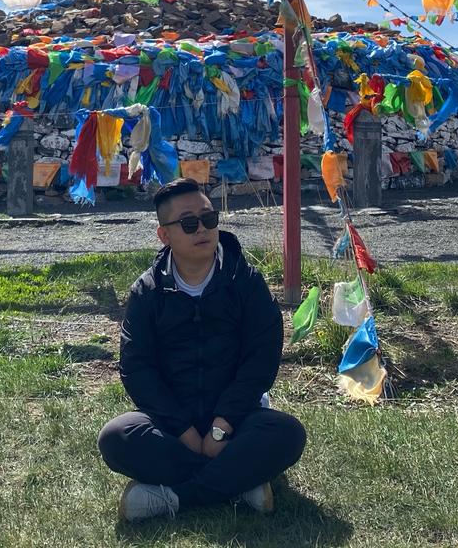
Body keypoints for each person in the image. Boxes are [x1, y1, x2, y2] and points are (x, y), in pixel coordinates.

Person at [98, 177, 307, 523]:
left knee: (287, 434)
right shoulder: (147, 293)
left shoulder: (245, 281)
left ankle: (174, 497)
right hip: (172, 427)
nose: (202, 230)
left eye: (208, 219)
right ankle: (240, 482)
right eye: (188, 223)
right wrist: (187, 434)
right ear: (164, 235)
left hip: (236, 420)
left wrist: (222, 427)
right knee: (117, 438)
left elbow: (262, 357)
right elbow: (138, 370)